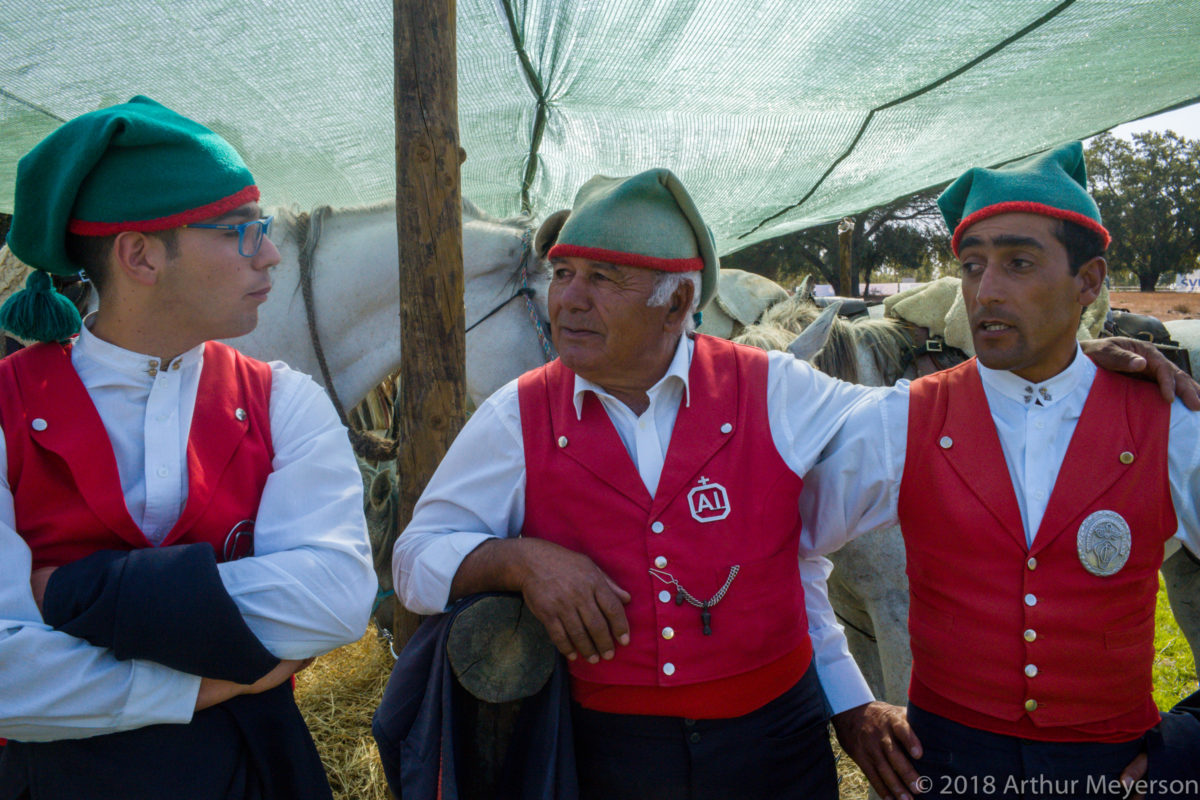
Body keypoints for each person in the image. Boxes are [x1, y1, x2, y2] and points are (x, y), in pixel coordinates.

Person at [386, 165, 1192, 800]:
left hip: (774, 750)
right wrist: (520, 561)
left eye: (604, 277)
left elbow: (906, 445)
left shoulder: (777, 391)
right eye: (563, 274)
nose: (568, 300)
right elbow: (415, 559)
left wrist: (1090, 376)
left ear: (678, 302)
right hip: (606, 754)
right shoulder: (516, 415)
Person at [0, 96, 376, 799]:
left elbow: (335, 599)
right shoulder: (5, 408)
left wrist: (73, 595)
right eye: (238, 231)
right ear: (140, 254)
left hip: (256, 771)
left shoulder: (284, 400)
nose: (268, 252)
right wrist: (204, 682)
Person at [797, 142, 1200, 798]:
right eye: (972, 264)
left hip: (1116, 775)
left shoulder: (1170, 423)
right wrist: (850, 701)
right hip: (947, 771)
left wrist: (1193, 740)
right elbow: (787, 546)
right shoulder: (901, 421)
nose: (986, 291)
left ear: (1090, 281)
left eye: (1018, 262)